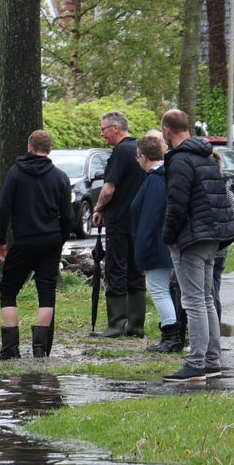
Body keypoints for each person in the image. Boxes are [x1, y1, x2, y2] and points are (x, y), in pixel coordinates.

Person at [161, 108, 234, 381]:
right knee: (206, 299)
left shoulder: (180, 160)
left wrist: (169, 236)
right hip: (212, 236)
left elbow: (176, 203)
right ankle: (211, 359)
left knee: (193, 301)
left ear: (167, 130)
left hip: (192, 237)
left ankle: (196, 363)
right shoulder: (205, 155)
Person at [0, 129, 77, 358]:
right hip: (50, 241)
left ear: (29, 147)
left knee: (8, 289)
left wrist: (0, 241)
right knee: (46, 292)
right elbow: (68, 217)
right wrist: (60, 239)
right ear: (49, 150)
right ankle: (40, 349)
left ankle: (10, 349)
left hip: (24, 241)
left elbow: (4, 210)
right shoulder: (60, 177)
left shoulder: (15, 174)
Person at [89, 110, 148, 337]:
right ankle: (136, 325)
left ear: (115, 128)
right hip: (138, 220)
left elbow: (108, 188)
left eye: (103, 129)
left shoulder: (120, 152)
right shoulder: (140, 149)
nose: (102, 133)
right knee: (135, 270)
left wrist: (99, 208)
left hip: (119, 220)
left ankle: (115, 324)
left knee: (115, 269)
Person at [127, 134, 182, 352]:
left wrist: (140, 251)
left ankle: (171, 336)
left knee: (158, 289)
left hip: (157, 244)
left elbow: (150, 218)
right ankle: (173, 334)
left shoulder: (155, 180)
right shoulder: (165, 176)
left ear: (142, 156)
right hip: (165, 242)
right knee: (168, 289)